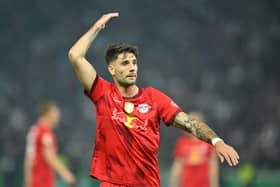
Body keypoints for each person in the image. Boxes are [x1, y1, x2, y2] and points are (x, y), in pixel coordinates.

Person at [68, 12, 239, 187]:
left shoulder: (154, 98)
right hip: (112, 183)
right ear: (112, 69)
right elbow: (75, 55)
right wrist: (97, 26)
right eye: (125, 63)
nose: (132, 68)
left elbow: (189, 123)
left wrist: (216, 141)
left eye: (134, 62)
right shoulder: (102, 93)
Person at [23, 101, 76, 187]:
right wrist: (65, 173)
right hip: (43, 180)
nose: (57, 117)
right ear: (48, 114)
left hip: (34, 180)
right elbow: (49, 156)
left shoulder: (34, 131)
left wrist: (27, 179)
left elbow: (28, 158)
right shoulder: (45, 133)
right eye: (55, 113)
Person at [170, 112, 219, 187]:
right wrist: (174, 183)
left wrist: (214, 184)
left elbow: (213, 166)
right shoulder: (182, 142)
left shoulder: (208, 143)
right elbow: (178, 165)